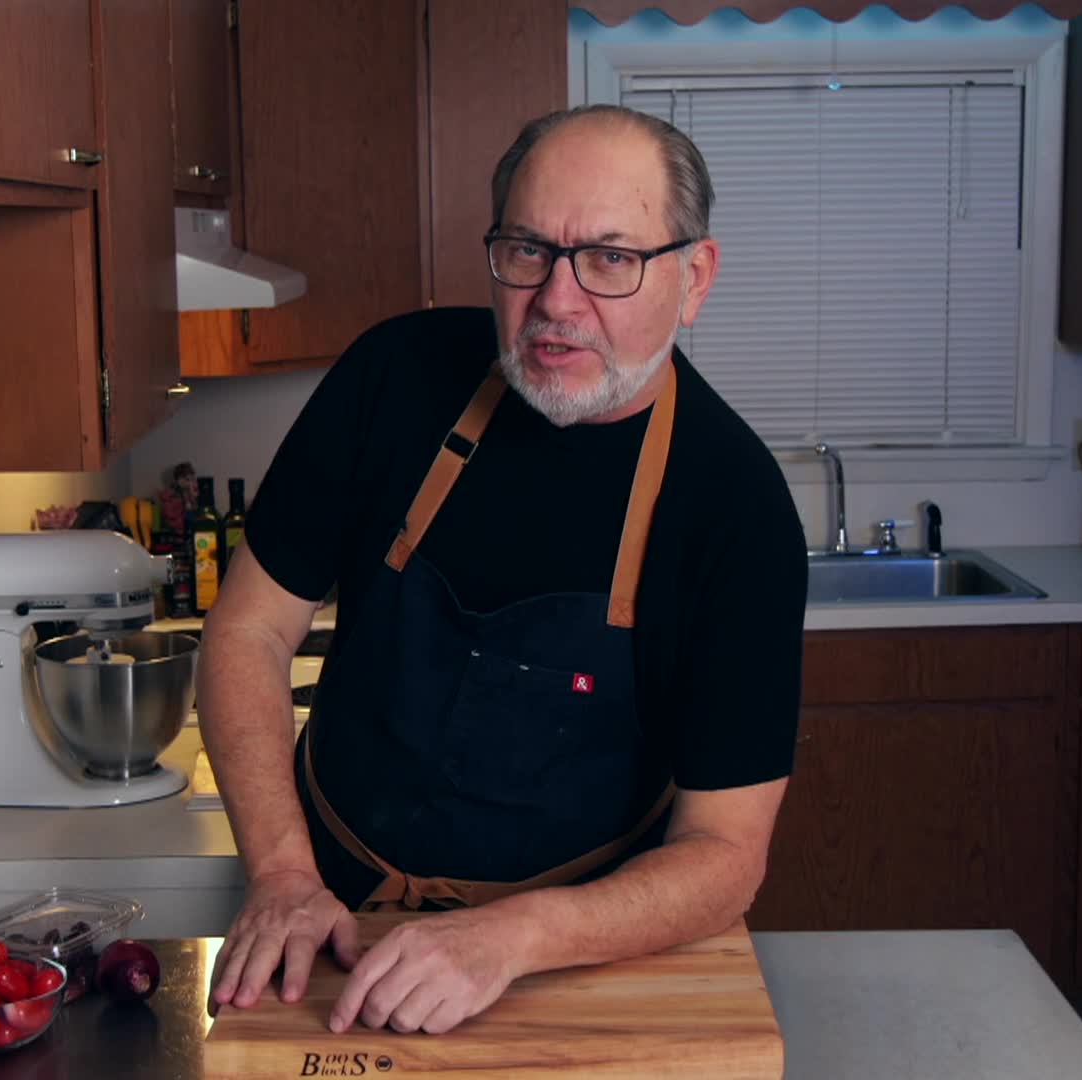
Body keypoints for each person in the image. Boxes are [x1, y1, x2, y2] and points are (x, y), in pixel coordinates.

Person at [195, 103, 808, 1037]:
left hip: (565, 961)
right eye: (528, 250)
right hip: (316, 925)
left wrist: (510, 939)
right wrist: (283, 875)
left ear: (694, 279)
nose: (557, 301)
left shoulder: (737, 509)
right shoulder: (392, 377)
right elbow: (247, 631)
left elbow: (725, 853)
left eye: (612, 258)